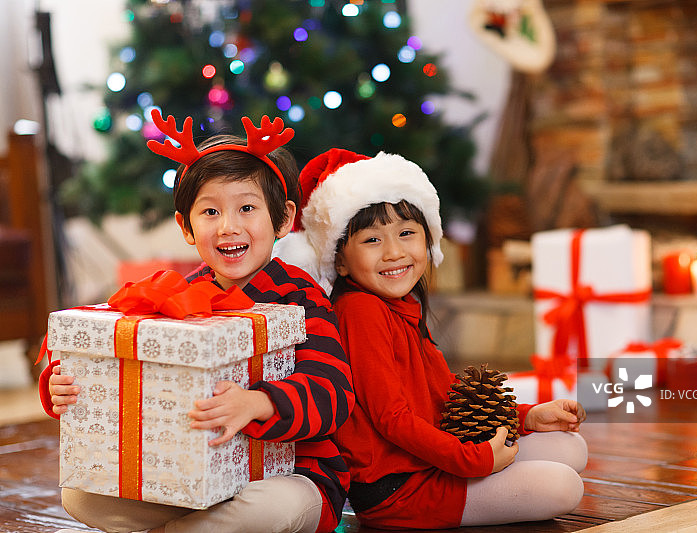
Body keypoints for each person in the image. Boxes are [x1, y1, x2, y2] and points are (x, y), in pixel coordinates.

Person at [40, 111, 354, 533]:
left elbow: (333, 393)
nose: (228, 227)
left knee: (276, 505)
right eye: (209, 212)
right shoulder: (180, 296)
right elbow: (134, 372)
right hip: (194, 477)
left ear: (282, 220)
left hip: (294, 475)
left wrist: (257, 403)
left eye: (246, 208)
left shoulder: (300, 296)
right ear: (185, 226)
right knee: (81, 496)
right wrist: (62, 387)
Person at [273, 148, 588, 530]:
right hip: (400, 488)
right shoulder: (360, 310)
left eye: (406, 234)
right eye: (372, 240)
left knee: (569, 447)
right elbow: (393, 420)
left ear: (428, 241)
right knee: (563, 486)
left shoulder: (402, 307)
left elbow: (443, 396)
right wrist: (474, 460)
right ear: (340, 260)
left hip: (432, 460)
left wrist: (527, 416)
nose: (393, 253)